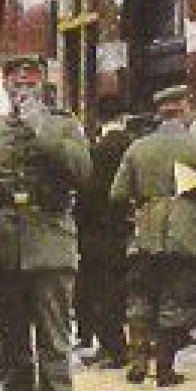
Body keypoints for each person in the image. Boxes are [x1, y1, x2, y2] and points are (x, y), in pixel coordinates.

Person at [0, 55, 92, 391]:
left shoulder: (63, 124)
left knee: (54, 337)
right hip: (1, 244)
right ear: (5, 86)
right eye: (15, 83)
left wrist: (40, 127)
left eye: (29, 83)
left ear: (42, 85)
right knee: (10, 339)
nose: (21, 90)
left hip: (50, 241)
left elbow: (82, 171)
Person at [108, 84, 196, 387]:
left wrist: (136, 212)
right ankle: (164, 367)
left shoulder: (137, 147)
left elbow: (117, 193)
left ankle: (137, 361)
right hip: (184, 233)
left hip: (144, 231)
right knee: (176, 297)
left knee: (141, 296)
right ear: (184, 109)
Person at [74, 95, 135, 369]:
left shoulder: (94, 151)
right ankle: (140, 348)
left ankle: (113, 347)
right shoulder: (135, 146)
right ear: (124, 117)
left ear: (99, 119)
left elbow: (86, 194)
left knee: (100, 290)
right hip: (132, 228)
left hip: (98, 231)